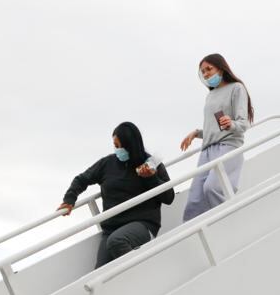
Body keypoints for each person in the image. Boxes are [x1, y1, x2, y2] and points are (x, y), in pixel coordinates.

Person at [60, 122, 176, 268]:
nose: (117, 150)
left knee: (117, 241)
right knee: (99, 273)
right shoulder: (107, 163)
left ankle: (144, 273)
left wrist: (151, 178)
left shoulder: (151, 163)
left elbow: (169, 198)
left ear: (131, 145)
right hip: (111, 229)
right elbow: (81, 179)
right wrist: (69, 199)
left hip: (142, 225)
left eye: (120, 146)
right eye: (115, 146)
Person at [179, 54, 254, 222]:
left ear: (220, 68)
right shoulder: (210, 95)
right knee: (195, 198)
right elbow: (214, 129)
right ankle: (190, 234)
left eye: (209, 69)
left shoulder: (236, 88)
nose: (205, 74)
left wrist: (231, 124)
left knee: (213, 187)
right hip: (208, 150)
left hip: (228, 146)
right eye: (202, 71)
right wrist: (197, 133)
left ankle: (228, 223)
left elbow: (242, 123)